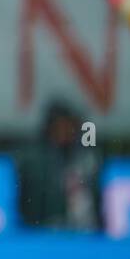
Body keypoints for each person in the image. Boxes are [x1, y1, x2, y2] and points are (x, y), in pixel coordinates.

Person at [16, 99, 103, 231]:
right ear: (50, 128)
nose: (66, 132)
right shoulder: (35, 161)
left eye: (69, 126)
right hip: (48, 230)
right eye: (61, 126)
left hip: (85, 231)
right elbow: (31, 206)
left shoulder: (86, 158)